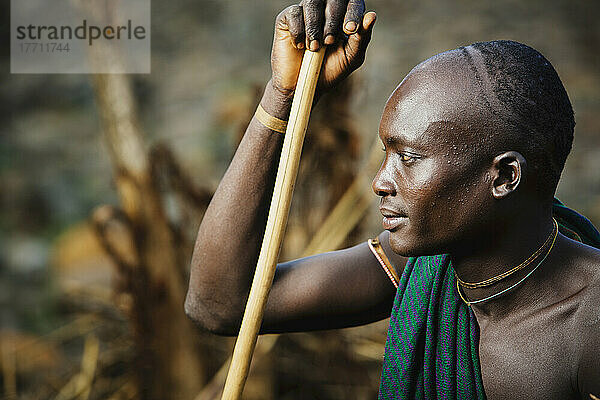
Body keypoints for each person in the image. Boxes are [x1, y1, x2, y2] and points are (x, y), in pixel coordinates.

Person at [184, 1, 600, 398]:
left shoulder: (589, 325)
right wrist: (285, 94)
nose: (380, 182)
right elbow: (220, 305)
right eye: (386, 154)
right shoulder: (423, 270)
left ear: (505, 176)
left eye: (409, 157)